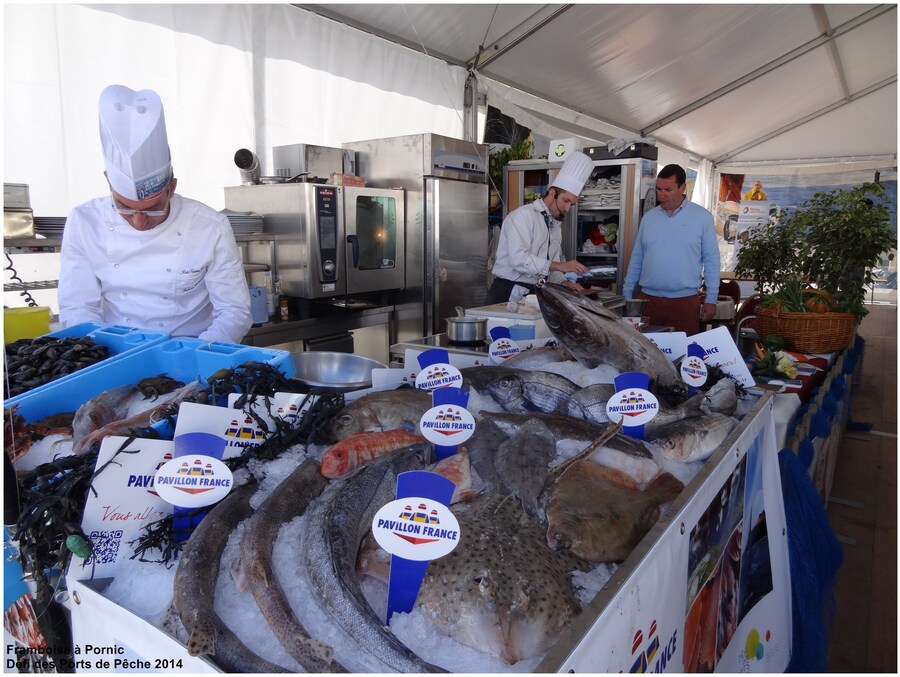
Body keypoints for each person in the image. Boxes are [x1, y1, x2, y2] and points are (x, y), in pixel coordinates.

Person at [58, 85, 252, 344]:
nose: (139, 221)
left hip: (192, 348)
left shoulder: (209, 227)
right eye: (124, 207)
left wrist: (201, 351)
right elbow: (77, 307)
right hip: (115, 351)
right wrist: (99, 351)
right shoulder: (85, 222)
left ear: (172, 188)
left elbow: (234, 311)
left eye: (152, 209)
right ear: (108, 183)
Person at [622, 164, 720, 335]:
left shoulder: (702, 217)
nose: (661, 195)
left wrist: (711, 298)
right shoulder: (649, 218)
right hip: (647, 301)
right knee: (645, 356)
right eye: (658, 189)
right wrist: (627, 293)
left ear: (683, 188)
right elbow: (637, 257)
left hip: (685, 302)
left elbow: (711, 259)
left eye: (668, 189)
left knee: (683, 356)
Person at [486, 151, 593, 304]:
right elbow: (518, 259)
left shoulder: (555, 225)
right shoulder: (523, 216)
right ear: (552, 193)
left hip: (533, 293)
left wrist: (564, 282)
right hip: (507, 292)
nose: (567, 208)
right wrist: (560, 266)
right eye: (566, 201)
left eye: (572, 204)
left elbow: (551, 265)